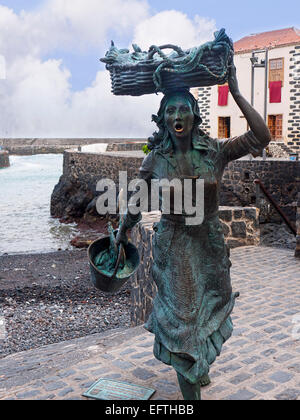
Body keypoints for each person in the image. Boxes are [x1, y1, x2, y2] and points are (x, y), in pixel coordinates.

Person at [116, 60, 271, 400]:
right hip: (175, 244)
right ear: (163, 119)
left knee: (208, 311)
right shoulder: (155, 159)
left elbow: (262, 136)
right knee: (184, 322)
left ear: (195, 116)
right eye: (170, 111)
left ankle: (198, 365)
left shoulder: (215, 151)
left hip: (210, 244)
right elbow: (136, 200)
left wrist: (236, 93)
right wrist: (121, 229)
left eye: (183, 110)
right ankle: (190, 386)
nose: (177, 117)